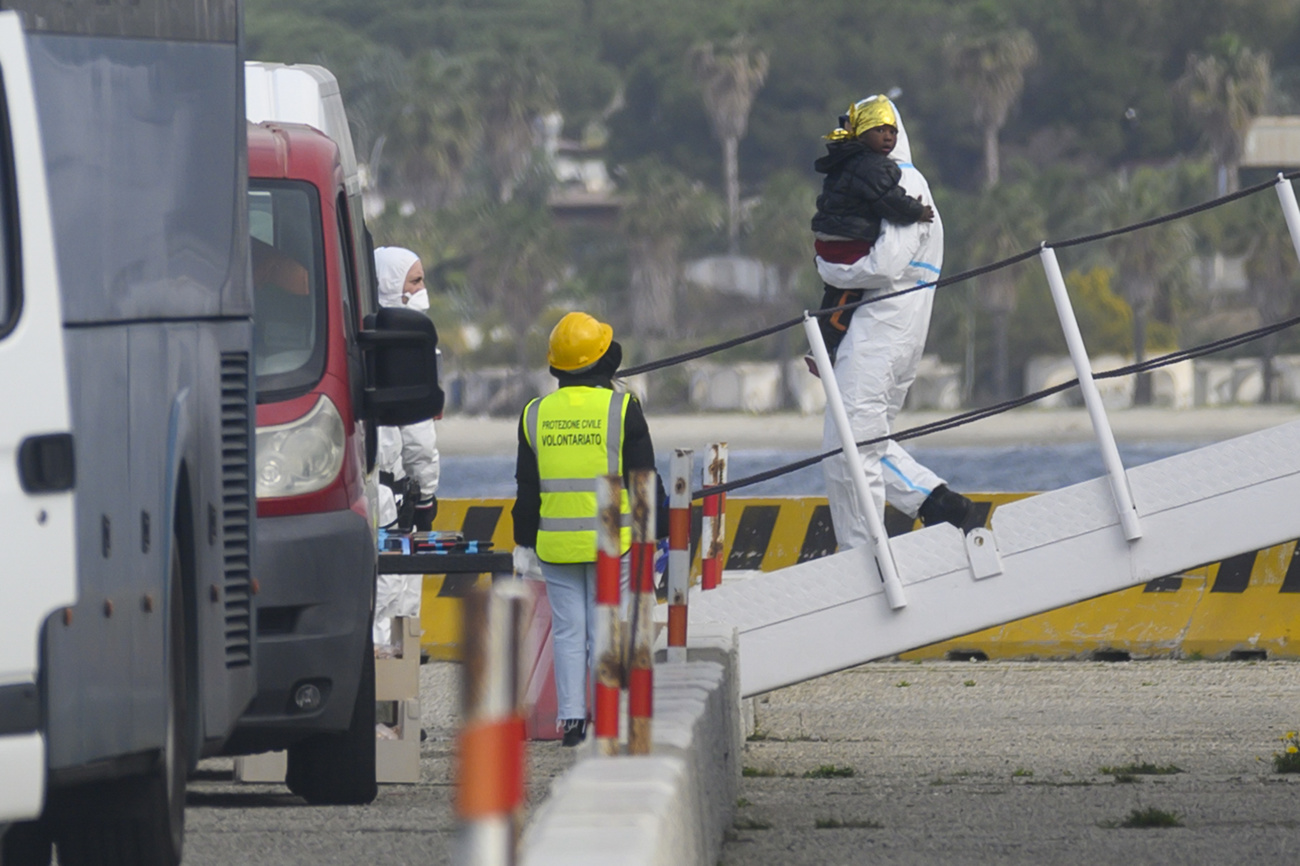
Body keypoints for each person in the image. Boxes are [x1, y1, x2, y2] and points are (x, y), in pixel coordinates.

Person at [813, 96, 978, 547]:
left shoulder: (903, 180)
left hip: (883, 325)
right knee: (859, 439)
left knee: (847, 447)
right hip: (893, 326)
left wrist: (829, 268)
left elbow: (885, 266)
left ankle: (864, 559)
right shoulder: (889, 180)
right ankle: (940, 504)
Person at [512, 312, 667, 747]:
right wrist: (654, 537)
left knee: (567, 629)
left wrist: (523, 543)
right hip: (611, 539)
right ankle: (606, 712)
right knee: (607, 623)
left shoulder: (535, 413)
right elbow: (643, 479)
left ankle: (571, 721)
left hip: (555, 541)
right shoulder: (622, 406)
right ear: (605, 359)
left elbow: (527, 489)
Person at [810, 94, 934, 366]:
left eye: (892, 132)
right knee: (851, 292)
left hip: (827, 240)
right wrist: (919, 212)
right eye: (879, 131)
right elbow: (890, 202)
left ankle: (819, 345)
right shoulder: (875, 167)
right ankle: (827, 346)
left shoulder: (844, 162)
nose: (888, 137)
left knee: (833, 292)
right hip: (847, 243)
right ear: (862, 135)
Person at [372, 246, 441, 653]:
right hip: (393, 496)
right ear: (388, 285)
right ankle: (393, 707)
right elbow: (418, 440)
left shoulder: (359, 336)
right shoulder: (406, 346)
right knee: (394, 600)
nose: (421, 290)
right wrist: (427, 496)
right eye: (414, 282)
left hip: (376, 490)